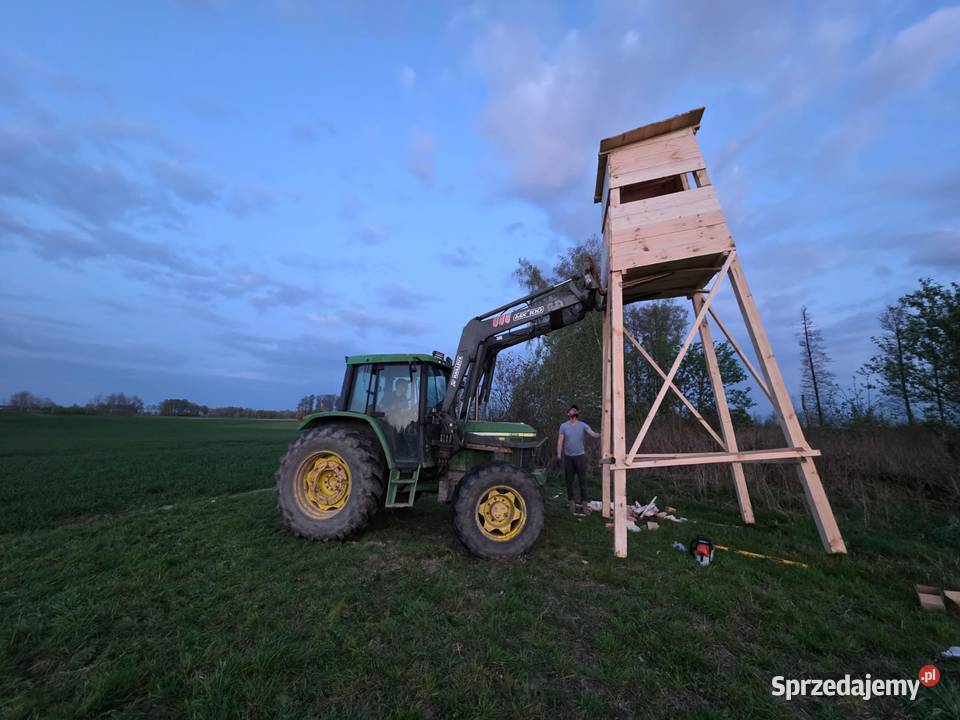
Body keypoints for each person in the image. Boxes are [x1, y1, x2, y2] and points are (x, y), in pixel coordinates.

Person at [557, 404, 600, 515]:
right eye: (571, 410)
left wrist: (602, 434)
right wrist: (558, 456)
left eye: (575, 410)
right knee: (569, 482)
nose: (573, 411)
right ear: (568, 413)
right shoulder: (563, 426)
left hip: (580, 457)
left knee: (583, 481)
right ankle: (572, 503)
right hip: (568, 458)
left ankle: (584, 505)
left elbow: (593, 434)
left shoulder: (583, 425)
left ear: (577, 413)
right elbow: (560, 441)